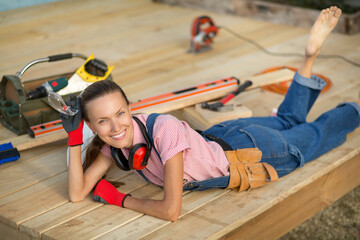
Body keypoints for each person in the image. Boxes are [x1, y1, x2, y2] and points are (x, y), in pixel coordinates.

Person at [61, 6, 360, 222]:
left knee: (320, 135)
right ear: (91, 125)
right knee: (288, 121)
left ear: (130, 109)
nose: (115, 127)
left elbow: (171, 211)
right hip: (226, 135)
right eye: (103, 121)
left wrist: (121, 199)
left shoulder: (162, 130)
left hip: (250, 155)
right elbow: (77, 194)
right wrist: (74, 140)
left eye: (120, 114)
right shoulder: (113, 146)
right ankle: (309, 57)